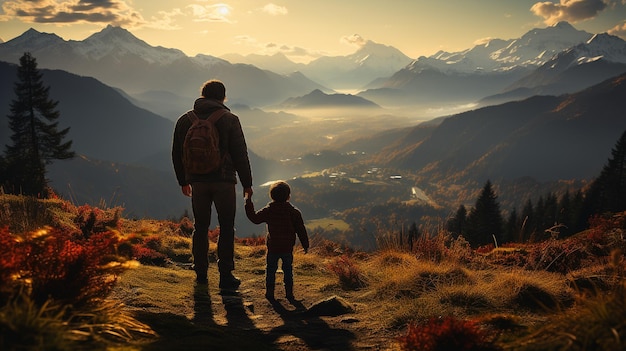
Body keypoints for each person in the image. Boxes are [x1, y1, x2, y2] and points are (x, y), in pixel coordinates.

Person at [172, 79, 253, 289]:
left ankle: (200, 273)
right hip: (224, 181)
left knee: (200, 226)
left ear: (203, 95)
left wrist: (183, 180)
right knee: (226, 227)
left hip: (197, 181)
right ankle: (226, 275)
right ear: (223, 97)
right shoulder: (229, 119)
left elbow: (176, 154)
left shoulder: (184, 120)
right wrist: (247, 183)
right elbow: (240, 154)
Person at [245, 181, 309, 301]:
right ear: (288, 196)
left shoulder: (269, 210)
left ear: (272, 196)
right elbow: (301, 230)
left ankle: (269, 293)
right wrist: (305, 245)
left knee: (270, 269)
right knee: (288, 270)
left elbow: (254, 218)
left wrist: (248, 201)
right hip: (287, 247)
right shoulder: (294, 212)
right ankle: (289, 294)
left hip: (273, 247)